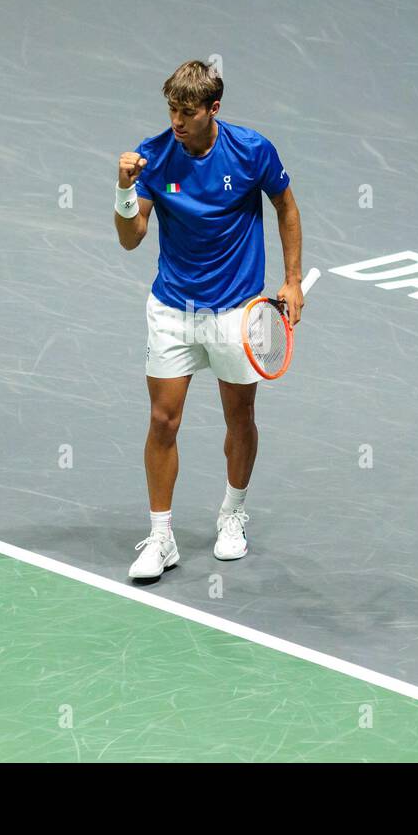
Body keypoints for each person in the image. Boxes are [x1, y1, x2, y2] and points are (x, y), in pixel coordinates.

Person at [113, 59, 303, 579]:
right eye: (172, 109)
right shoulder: (153, 157)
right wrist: (125, 189)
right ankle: (160, 537)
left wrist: (292, 279)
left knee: (238, 418)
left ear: (212, 109)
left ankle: (233, 514)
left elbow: (285, 205)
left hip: (236, 313)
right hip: (173, 309)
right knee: (162, 419)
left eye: (187, 112)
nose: (177, 121)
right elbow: (130, 239)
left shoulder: (251, 150)